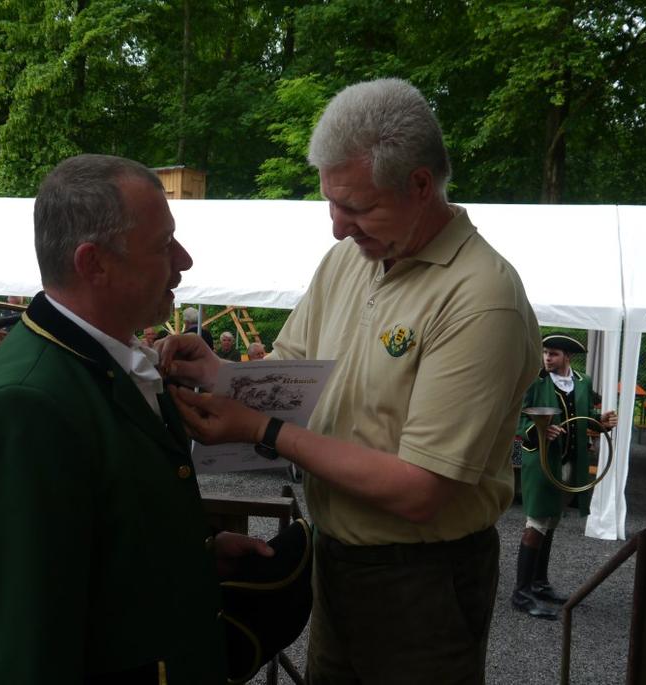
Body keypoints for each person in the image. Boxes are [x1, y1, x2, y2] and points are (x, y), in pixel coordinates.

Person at [161, 78, 541, 684]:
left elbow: (421, 491)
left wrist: (263, 429)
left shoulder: (481, 297)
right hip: (336, 558)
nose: (338, 228)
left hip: (423, 580)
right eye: (331, 204)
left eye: (358, 208)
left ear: (421, 185)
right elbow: (290, 372)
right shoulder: (352, 258)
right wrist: (219, 372)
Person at [0, 154, 272, 684]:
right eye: (163, 245)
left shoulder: (107, 364)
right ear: (94, 263)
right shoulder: (24, 408)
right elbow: (13, 649)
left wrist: (194, 557)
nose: (184, 261)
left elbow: (91, 551)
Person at [513, 334, 618, 619]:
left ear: (568, 357)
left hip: (571, 463)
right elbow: (517, 417)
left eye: (554, 353)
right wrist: (540, 429)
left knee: (552, 520)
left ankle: (539, 583)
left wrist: (599, 422)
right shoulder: (536, 380)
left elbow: (582, 414)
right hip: (543, 461)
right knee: (536, 521)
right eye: (546, 352)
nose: (547, 358)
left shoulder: (582, 382)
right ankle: (521, 593)